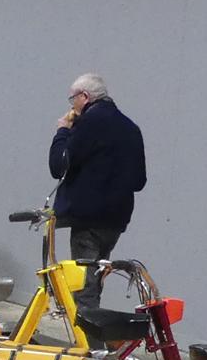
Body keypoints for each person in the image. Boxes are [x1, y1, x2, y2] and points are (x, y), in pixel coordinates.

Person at [47, 72, 146, 303]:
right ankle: (93, 323)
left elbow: (59, 165)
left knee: (84, 286)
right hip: (116, 220)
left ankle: (86, 327)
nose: (72, 105)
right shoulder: (131, 128)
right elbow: (139, 181)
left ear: (84, 96)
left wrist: (63, 131)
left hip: (87, 219)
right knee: (96, 279)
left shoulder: (88, 124)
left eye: (73, 99)